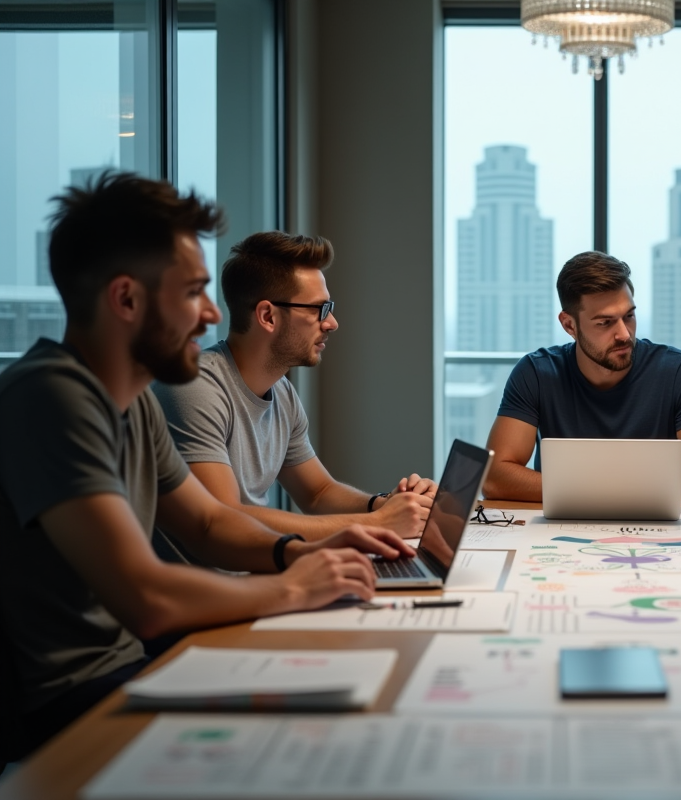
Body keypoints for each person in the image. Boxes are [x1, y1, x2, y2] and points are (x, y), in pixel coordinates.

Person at [0, 172, 414, 754]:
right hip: (74, 699)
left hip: (137, 667)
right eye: (192, 292)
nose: (213, 315)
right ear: (126, 299)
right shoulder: (52, 396)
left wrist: (308, 554)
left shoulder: (133, 401)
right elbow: (148, 598)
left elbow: (210, 523)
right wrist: (295, 588)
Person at [152, 232, 434, 548]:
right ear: (268, 316)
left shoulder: (281, 391)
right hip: (209, 590)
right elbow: (223, 516)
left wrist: (384, 505)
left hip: (258, 576)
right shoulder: (195, 388)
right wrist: (375, 524)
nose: (332, 323)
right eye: (318, 309)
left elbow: (318, 492)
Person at [483, 251, 681, 503]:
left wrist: (590, 492)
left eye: (629, 316)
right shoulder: (536, 373)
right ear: (569, 325)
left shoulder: (679, 371)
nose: (624, 334)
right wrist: (616, 493)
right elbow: (494, 477)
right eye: (605, 323)